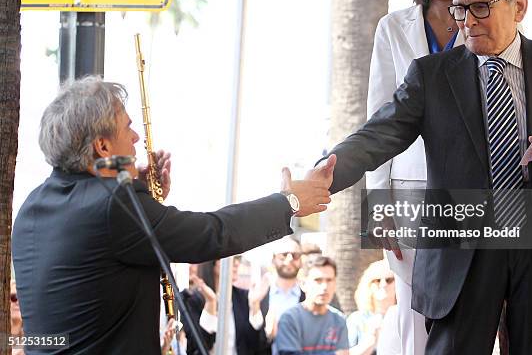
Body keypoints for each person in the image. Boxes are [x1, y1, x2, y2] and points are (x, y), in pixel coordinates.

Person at [308, 0, 532, 354]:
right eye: (459, 9)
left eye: (480, 7)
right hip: (461, 255)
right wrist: (327, 170)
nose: (467, 21)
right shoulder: (430, 75)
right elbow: (378, 134)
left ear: (518, 6)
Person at [12, 76, 333, 354]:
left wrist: (142, 198)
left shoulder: (33, 207)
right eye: (128, 128)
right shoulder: (113, 206)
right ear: (103, 147)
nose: (137, 138)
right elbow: (213, 233)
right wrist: (288, 203)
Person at [366, 0, 486, 354]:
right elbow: (377, 122)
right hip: (408, 196)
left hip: (471, 196)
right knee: (414, 324)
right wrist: (379, 207)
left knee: (471, 317)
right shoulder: (392, 28)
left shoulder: (486, 23)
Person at [275, 256, 349, 355]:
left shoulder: (339, 320)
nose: (324, 287)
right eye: (318, 280)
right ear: (303, 284)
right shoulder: (290, 319)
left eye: (329, 280)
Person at [346, 260, 396, 355]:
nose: (383, 285)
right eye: (377, 280)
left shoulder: (405, 317)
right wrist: (371, 341)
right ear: (368, 285)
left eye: (388, 280)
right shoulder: (357, 319)